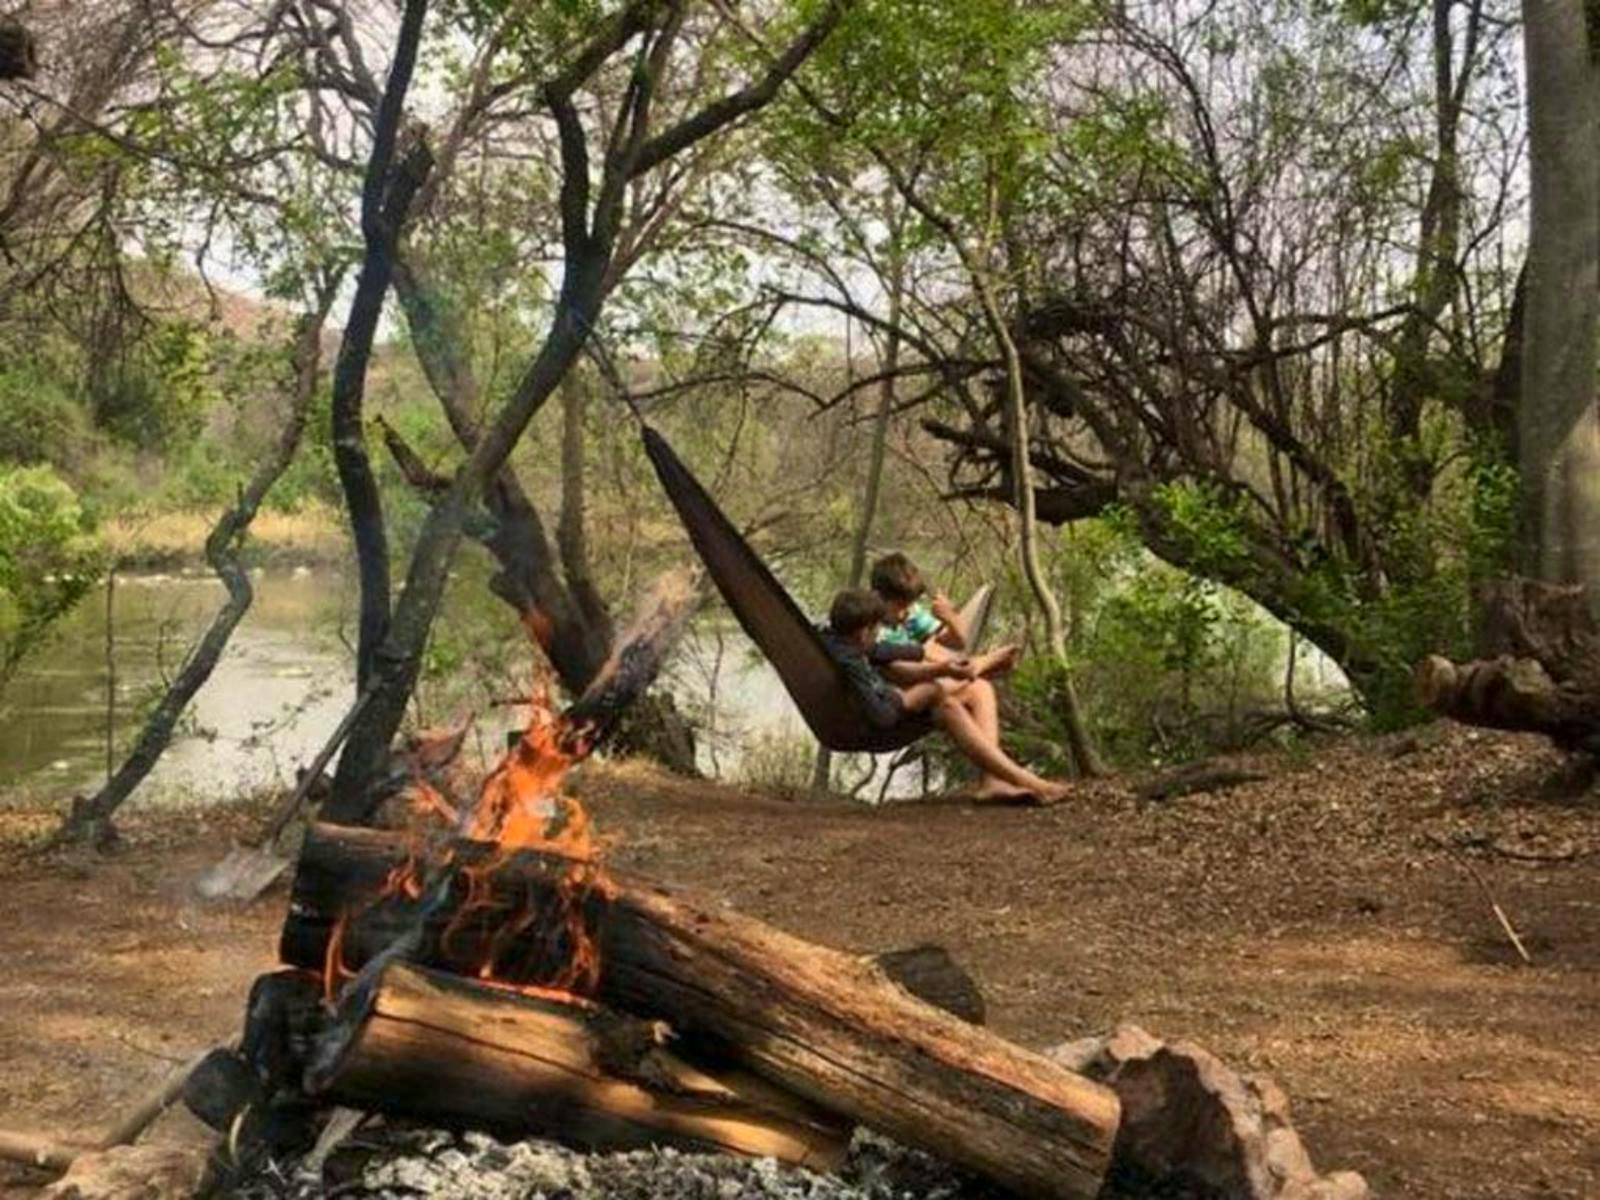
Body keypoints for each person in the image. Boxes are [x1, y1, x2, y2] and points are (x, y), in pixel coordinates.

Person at [821, 588, 1068, 803]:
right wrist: (908, 697)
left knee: (956, 696)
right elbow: (883, 717)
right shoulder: (851, 663)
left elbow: (881, 650)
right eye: (877, 629)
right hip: (872, 727)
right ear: (863, 633)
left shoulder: (840, 642)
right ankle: (1031, 783)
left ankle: (1001, 782)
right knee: (938, 695)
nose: (879, 633)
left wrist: (935, 660)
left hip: (894, 702)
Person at [868, 552, 1025, 797]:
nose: (904, 613)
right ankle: (978, 664)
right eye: (899, 606)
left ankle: (992, 781)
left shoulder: (910, 613)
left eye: (908, 605)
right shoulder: (868, 623)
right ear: (878, 597)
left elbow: (958, 641)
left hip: (928, 687)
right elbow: (898, 672)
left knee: (981, 688)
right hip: (894, 697)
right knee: (931, 656)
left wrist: (950, 617)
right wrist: (946, 666)